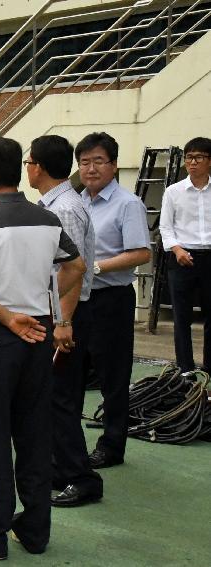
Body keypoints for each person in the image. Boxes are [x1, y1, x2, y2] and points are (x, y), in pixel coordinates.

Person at [0, 136, 85, 561]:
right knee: (33, 434)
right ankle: (34, 531)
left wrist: (7, 317)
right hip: (39, 334)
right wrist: (41, 302)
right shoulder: (46, 219)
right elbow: (76, 266)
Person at [26, 135, 103, 508]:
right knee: (53, 397)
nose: (27, 168)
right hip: (59, 313)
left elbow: (73, 271)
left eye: (29, 162)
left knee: (62, 400)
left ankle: (81, 477)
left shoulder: (65, 209)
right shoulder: (54, 203)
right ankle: (60, 466)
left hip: (67, 315)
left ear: (38, 167)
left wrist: (63, 322)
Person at [78, 132, 151, 469]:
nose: (90, 169)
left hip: (112, 299)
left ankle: (112, 445)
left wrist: (97, 266)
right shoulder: (76, 202)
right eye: (84, 162)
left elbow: (140, 253)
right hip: (77, 298)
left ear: (114, 164)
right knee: (71, 373)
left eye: (98, 161)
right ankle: (69, 442)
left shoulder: (127, 203)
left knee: (113, 376)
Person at [159, 137, 211, 373]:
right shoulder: (173, 191)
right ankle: (185, 371)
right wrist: (177, 249)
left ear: (209, 161)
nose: (192, 162)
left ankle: (209, 370)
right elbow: (165, 227)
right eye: (189, 157)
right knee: (182, 319)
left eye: (198, 157)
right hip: (181, 257)